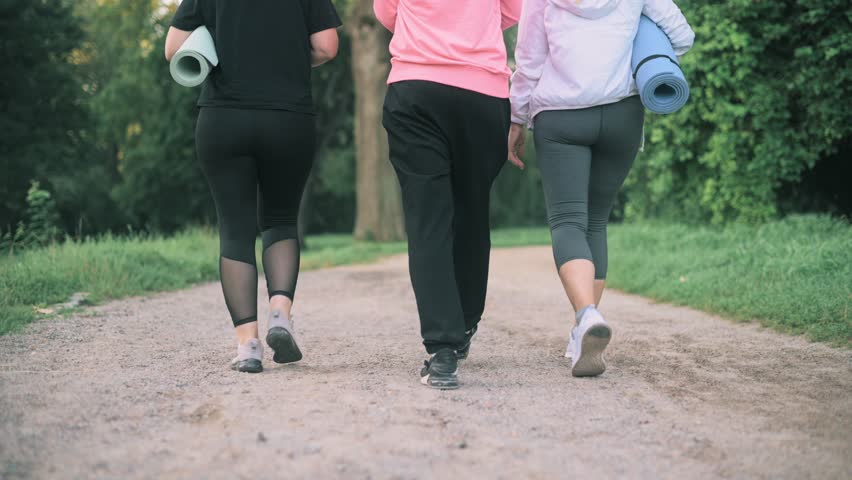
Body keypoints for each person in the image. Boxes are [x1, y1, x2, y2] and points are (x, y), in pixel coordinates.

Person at [508, 0, 694, 377]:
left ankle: (586, 315)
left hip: (561, 116)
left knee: (568, 222)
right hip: (622, 113)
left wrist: (517, 117)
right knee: (595, 221)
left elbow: (529, 60)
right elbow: (682, 36)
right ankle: (583, 329)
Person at [165, 0, 341, 373]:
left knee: (235, 230)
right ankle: (280, 311)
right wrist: (288, 57)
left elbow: (172, 49)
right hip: (287, 117)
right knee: (280, 219)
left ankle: (248, 346)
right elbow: (327, 46)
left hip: (223, 119)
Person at [374, 0, 523, 389]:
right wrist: (474, 25)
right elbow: (513, 10)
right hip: (483, 91)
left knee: (428, 219)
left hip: (416, 86)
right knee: (472, 211)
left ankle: (442, 349)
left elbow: (387, 13)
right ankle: (466, 322)